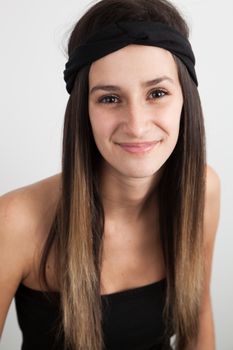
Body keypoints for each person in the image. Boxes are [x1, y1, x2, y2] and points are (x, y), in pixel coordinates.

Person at [0, 0, 221, 349]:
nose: (136, 125)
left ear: (185, 99)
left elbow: (198, 323)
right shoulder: (15, 221)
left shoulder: (201, 190)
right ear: (83, 111)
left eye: (157, 93)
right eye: (109, 99)